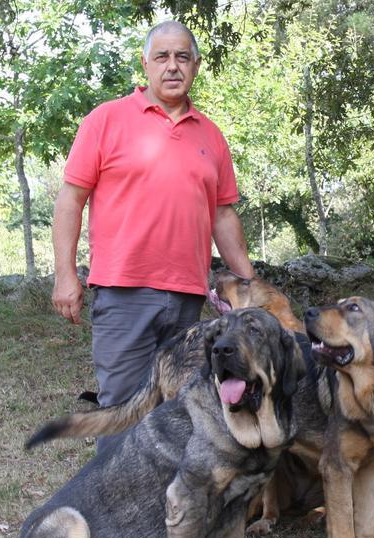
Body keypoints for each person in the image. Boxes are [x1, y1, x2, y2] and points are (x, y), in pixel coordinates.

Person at [51, 21, 255, 434]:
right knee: (122, 412)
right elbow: (70, 201)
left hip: (187, 298)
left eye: (182, 57)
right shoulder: (105, 120)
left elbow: (222, 215)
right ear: (145, 64)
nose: (172, 66)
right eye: (162, 57)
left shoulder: (211, 135)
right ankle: (113, 499)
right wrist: (65, 275)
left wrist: (249, 284)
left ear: (196, 65)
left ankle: (169, 500)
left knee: (182, 412)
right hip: (124, 291)